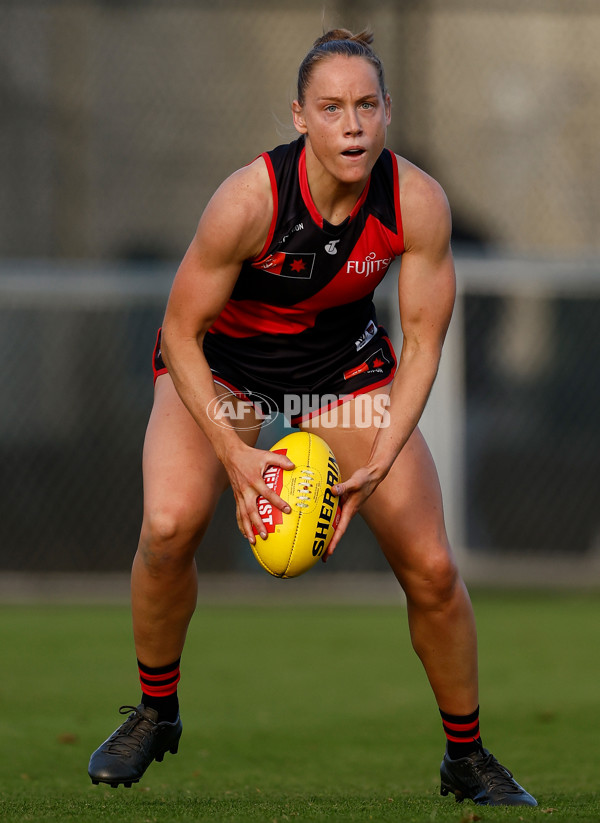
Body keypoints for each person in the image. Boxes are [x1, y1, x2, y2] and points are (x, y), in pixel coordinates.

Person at [88, 29, 537, 807]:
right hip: (224, 367)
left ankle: (466, 757)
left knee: (432, 566)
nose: (353, 125)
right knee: (168, 525)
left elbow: (424, 342)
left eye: (366, 105)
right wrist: (236, 457)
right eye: (332, 108)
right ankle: (156, 712)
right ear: (301, 116)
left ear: (387, 111)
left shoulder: (416, 201)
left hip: (341, 369)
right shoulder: (249, 199)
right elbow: (181, 333)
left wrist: (384, 455)